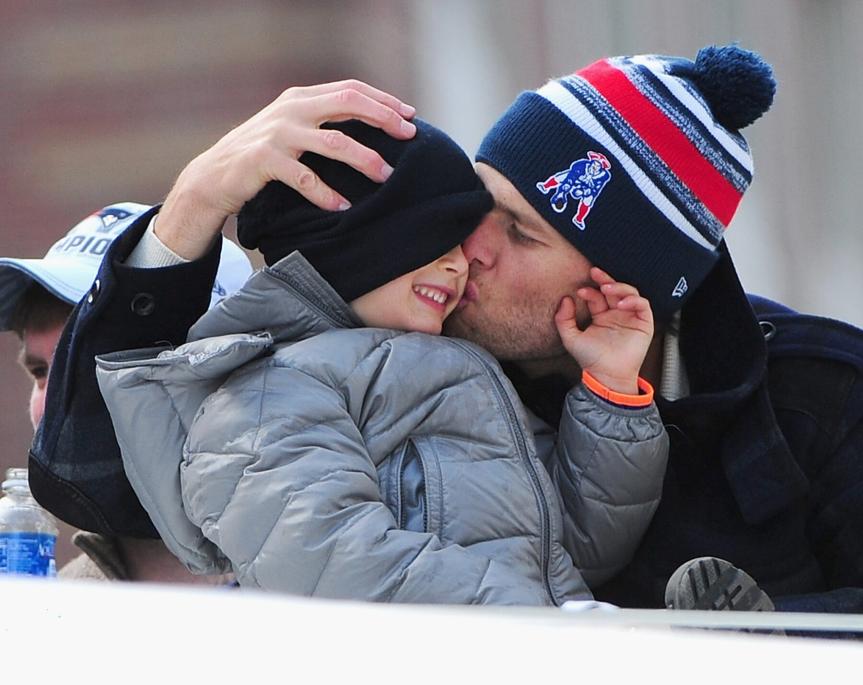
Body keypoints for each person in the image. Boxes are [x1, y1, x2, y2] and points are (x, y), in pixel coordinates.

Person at [33, 45, 863, 614]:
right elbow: (105, 488)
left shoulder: (809, 390)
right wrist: (187, 216)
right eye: (480, 202)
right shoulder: (409, 344)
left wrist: (734, 643)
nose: (463, 249)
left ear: (617, 281)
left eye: (520, 232)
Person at [92, 119, 667, 603]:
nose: (459, 267)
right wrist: (533, 620)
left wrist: (612, 391)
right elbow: (329, 561)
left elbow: (576, 549)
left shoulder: (471, 373)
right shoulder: (268, 390)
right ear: (358, 246)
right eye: (431, 245)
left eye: (458, 247)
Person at [0, 202, 253, 581]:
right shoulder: (52, 607)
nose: (55, 403)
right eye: (40, 371)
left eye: (89, 364)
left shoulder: (335, 570)